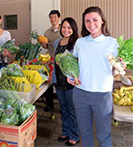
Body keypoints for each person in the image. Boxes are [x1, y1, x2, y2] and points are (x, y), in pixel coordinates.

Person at [68, 6, 118, 147]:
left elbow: (117, 67)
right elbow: (73, 63)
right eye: (87, 21)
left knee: (104, 135)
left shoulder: (112, 43)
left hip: (102, 96)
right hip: (80, 93)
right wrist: (69, 75)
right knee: (85, 133)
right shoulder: (80, 42)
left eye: (95, 20)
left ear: (102, 21)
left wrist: (119, 67)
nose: (91, 24)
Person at [53, 17, 80, 146]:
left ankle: (74, 136)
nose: (66, 30)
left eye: (69, 27)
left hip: (71, 83)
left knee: (72, 110)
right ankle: (65, 132)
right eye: (64, 27)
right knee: (63, 109)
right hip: (59, 81)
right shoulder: (58, 42)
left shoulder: (77, 43)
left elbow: (80, 62)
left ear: (73, 29)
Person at [42, 10, 61, 112]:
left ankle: (63, 106)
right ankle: (49, 105)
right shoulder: (46, 32)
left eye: (55, 17)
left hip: (61, 62)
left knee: (60, 85)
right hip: (50, 61)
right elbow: (45, 46)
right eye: (51, 17)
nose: (53, 19)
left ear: (59, 18)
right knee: (49, 84)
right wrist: (43, 45)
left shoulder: (64, 30)